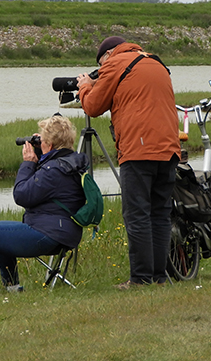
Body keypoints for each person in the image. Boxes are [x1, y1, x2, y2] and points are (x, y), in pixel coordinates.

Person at [77, 36, 181, 287]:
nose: (102, 69)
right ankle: (158, 277)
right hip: (169, 149)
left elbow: (93, 106)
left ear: (108, 55)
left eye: (101, 65)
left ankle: (141, 279)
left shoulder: (115, 63)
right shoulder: (155, 62)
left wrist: (86, 86)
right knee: (160, 214)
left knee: (137, 215)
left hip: (138, 149)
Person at [0, 114, 87, 296]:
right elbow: (46, 183)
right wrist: (41, 154)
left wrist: (27, 164)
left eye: (43, 140)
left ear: (50, 144)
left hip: (48, 235)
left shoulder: (53, 170)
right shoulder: (70, 163)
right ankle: (12, 288)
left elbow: (21, 195)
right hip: (65, 233)